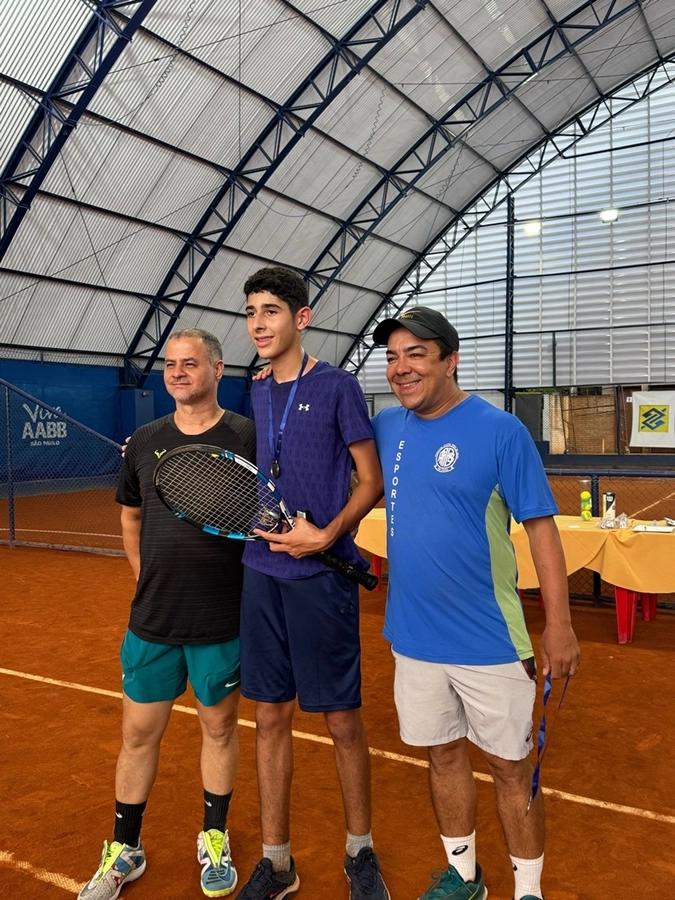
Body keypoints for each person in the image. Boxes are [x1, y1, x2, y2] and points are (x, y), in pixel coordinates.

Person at [370, 307, 580, 900]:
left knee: (512, 770)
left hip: (490, 640)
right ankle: (465, 877)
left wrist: (558, 626)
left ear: (450, 360)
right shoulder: (388, 428)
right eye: (391, 357)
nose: (401, 369)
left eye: (415, 355)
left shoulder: (499, 430)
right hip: (413, 639)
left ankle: (529, 891)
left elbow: (542, 531)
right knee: (441, 757)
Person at [78, 329, 256, 900]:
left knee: (220, 728)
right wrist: (143, 575)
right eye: (170, 365)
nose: (177, 373)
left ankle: (214, 838)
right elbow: (130, 517)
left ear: (217, 368)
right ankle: (124, 848)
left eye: (190, 363)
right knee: (137, 734)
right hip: (153, 619)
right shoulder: (147, 440)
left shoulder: (249, 438)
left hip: (221, 619)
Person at [233, 266, 387, 900]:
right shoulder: (257, 389)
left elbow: (370, 479)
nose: (258, 323)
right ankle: (278, 862)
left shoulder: (338, 387)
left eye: (270, 311)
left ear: (302, 318)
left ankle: (360, 854)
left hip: (321, 575)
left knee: (343, 720)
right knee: (269, 716)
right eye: (249, 312)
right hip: (260, 572)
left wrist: (326, 535)